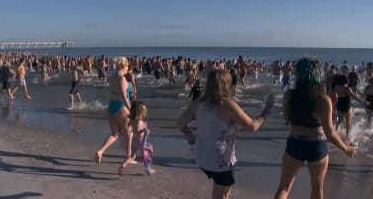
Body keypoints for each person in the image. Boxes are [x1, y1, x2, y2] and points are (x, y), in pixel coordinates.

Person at [177, 69, 274, 199]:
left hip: (202, 157)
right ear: (225, 84)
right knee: (221, 190)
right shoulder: (227, 106)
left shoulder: (198, 103)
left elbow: (180, 123)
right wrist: (265, 113)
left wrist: (190, 135)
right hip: (220, 161)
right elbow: (252, 126)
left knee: (224, 187)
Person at [274, 58, 357, 199]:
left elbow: (288, 118)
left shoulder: (289, 96)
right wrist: (347, 149)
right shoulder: (323, 100)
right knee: (317, 189)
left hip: (295, 142)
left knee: (284, 188)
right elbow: (330, 133)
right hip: (316, 145)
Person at [94, 57, 132, 166]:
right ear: (123, 66)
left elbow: (114, 91)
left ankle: (100, 151)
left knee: (115, 134)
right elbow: (124, 96)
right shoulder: (122, 78)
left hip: (111, 106)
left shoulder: (111, 77)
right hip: (121, 106)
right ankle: (128, 157)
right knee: (129, 132)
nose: (128, 68)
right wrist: (131, 110)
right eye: (127, 65)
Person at [119, 101, 156, 176]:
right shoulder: (139, 121)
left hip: (135, 141)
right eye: (143, 112)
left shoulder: (133, 120)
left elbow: (131, 128)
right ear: (140, 112)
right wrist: (144, 131)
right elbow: (137, 131)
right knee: (146, 156)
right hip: (141, 141)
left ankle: (123, 165)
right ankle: (148, 169)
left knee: (132, 156)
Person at [332, 74, 365, 139]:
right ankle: (347, 136)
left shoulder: (335, 87)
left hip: (339, 105)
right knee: (348, 122)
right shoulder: (346, 88)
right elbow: (354, 97)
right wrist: (363, 102)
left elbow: (333, 96)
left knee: (339, 122)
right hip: (347, 106)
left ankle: (334, 135)